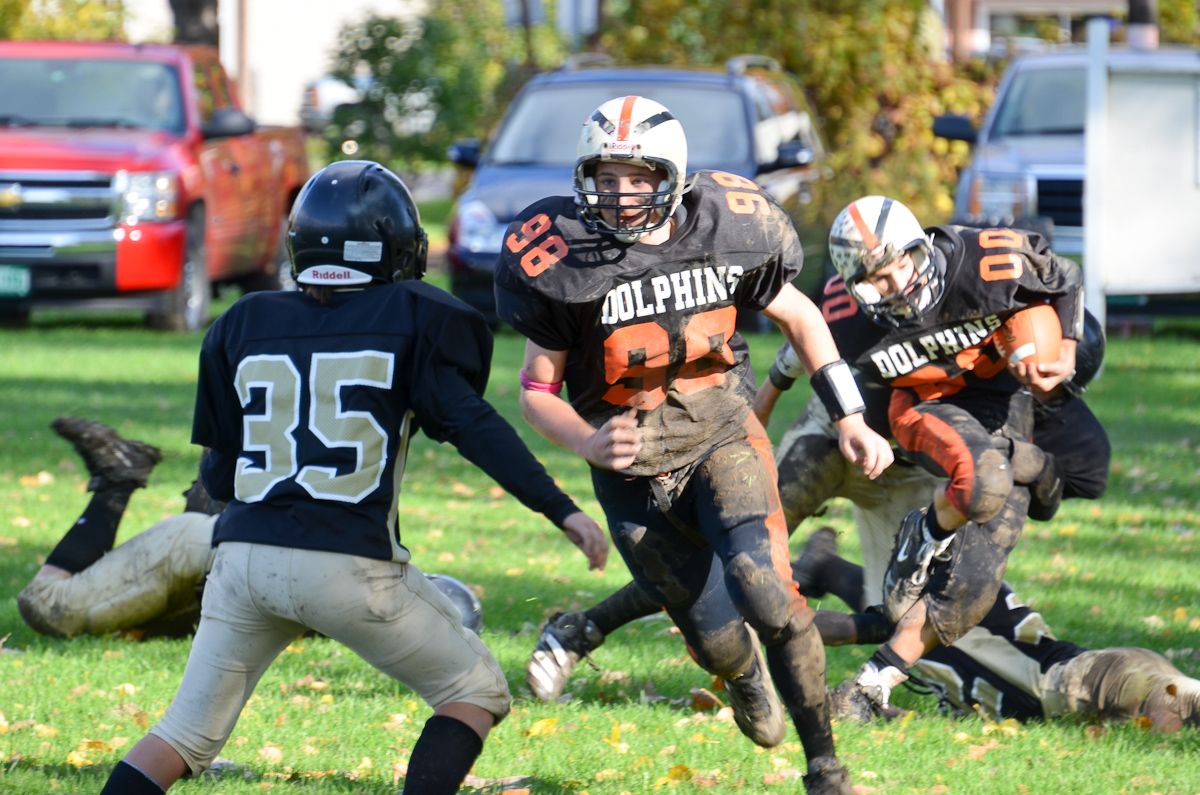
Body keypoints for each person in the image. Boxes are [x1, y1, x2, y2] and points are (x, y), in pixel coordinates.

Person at [97, 161, 608, 795]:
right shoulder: (415, 316)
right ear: (399, 249)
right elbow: (474, 428)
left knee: (183, 735)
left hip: (242, 560)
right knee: (474, 691)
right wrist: (560, 508)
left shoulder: (242, 321)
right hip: (346, 564)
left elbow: (221, 477)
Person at [495, 95, 893, 795]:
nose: (620, 193)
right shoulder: (561, 255)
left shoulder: (728, 225)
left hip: (722, 435)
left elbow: (802, 316)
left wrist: (851, 416)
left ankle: (827, 771)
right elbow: (535, 389)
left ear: (671, 178)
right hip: (632, 472)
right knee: (717, 641)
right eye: (606, 177)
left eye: (637, 177)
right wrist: (588, 440)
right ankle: (743, 675)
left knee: (767, 593)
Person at [810, 195, 1084, 720]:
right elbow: (803, 352)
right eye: (876, 280)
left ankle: (871, 685)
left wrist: (1066, 345)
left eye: (902, 264)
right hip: (924, 404)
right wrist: (850, 423)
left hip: (1001, 404)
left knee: (973, 588)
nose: (896, 284)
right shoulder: (846, 318)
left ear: (920, 247)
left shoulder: (988, 263)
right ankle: (926, 533)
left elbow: (1064, 275)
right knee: (986, 480)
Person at [18, 418, 479, 641]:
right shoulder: (358, 600)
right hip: (213, 545)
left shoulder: (369, 576)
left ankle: (124, 477)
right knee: (46, 606)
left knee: (133, 619)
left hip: (225, 543)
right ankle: (118, 481)